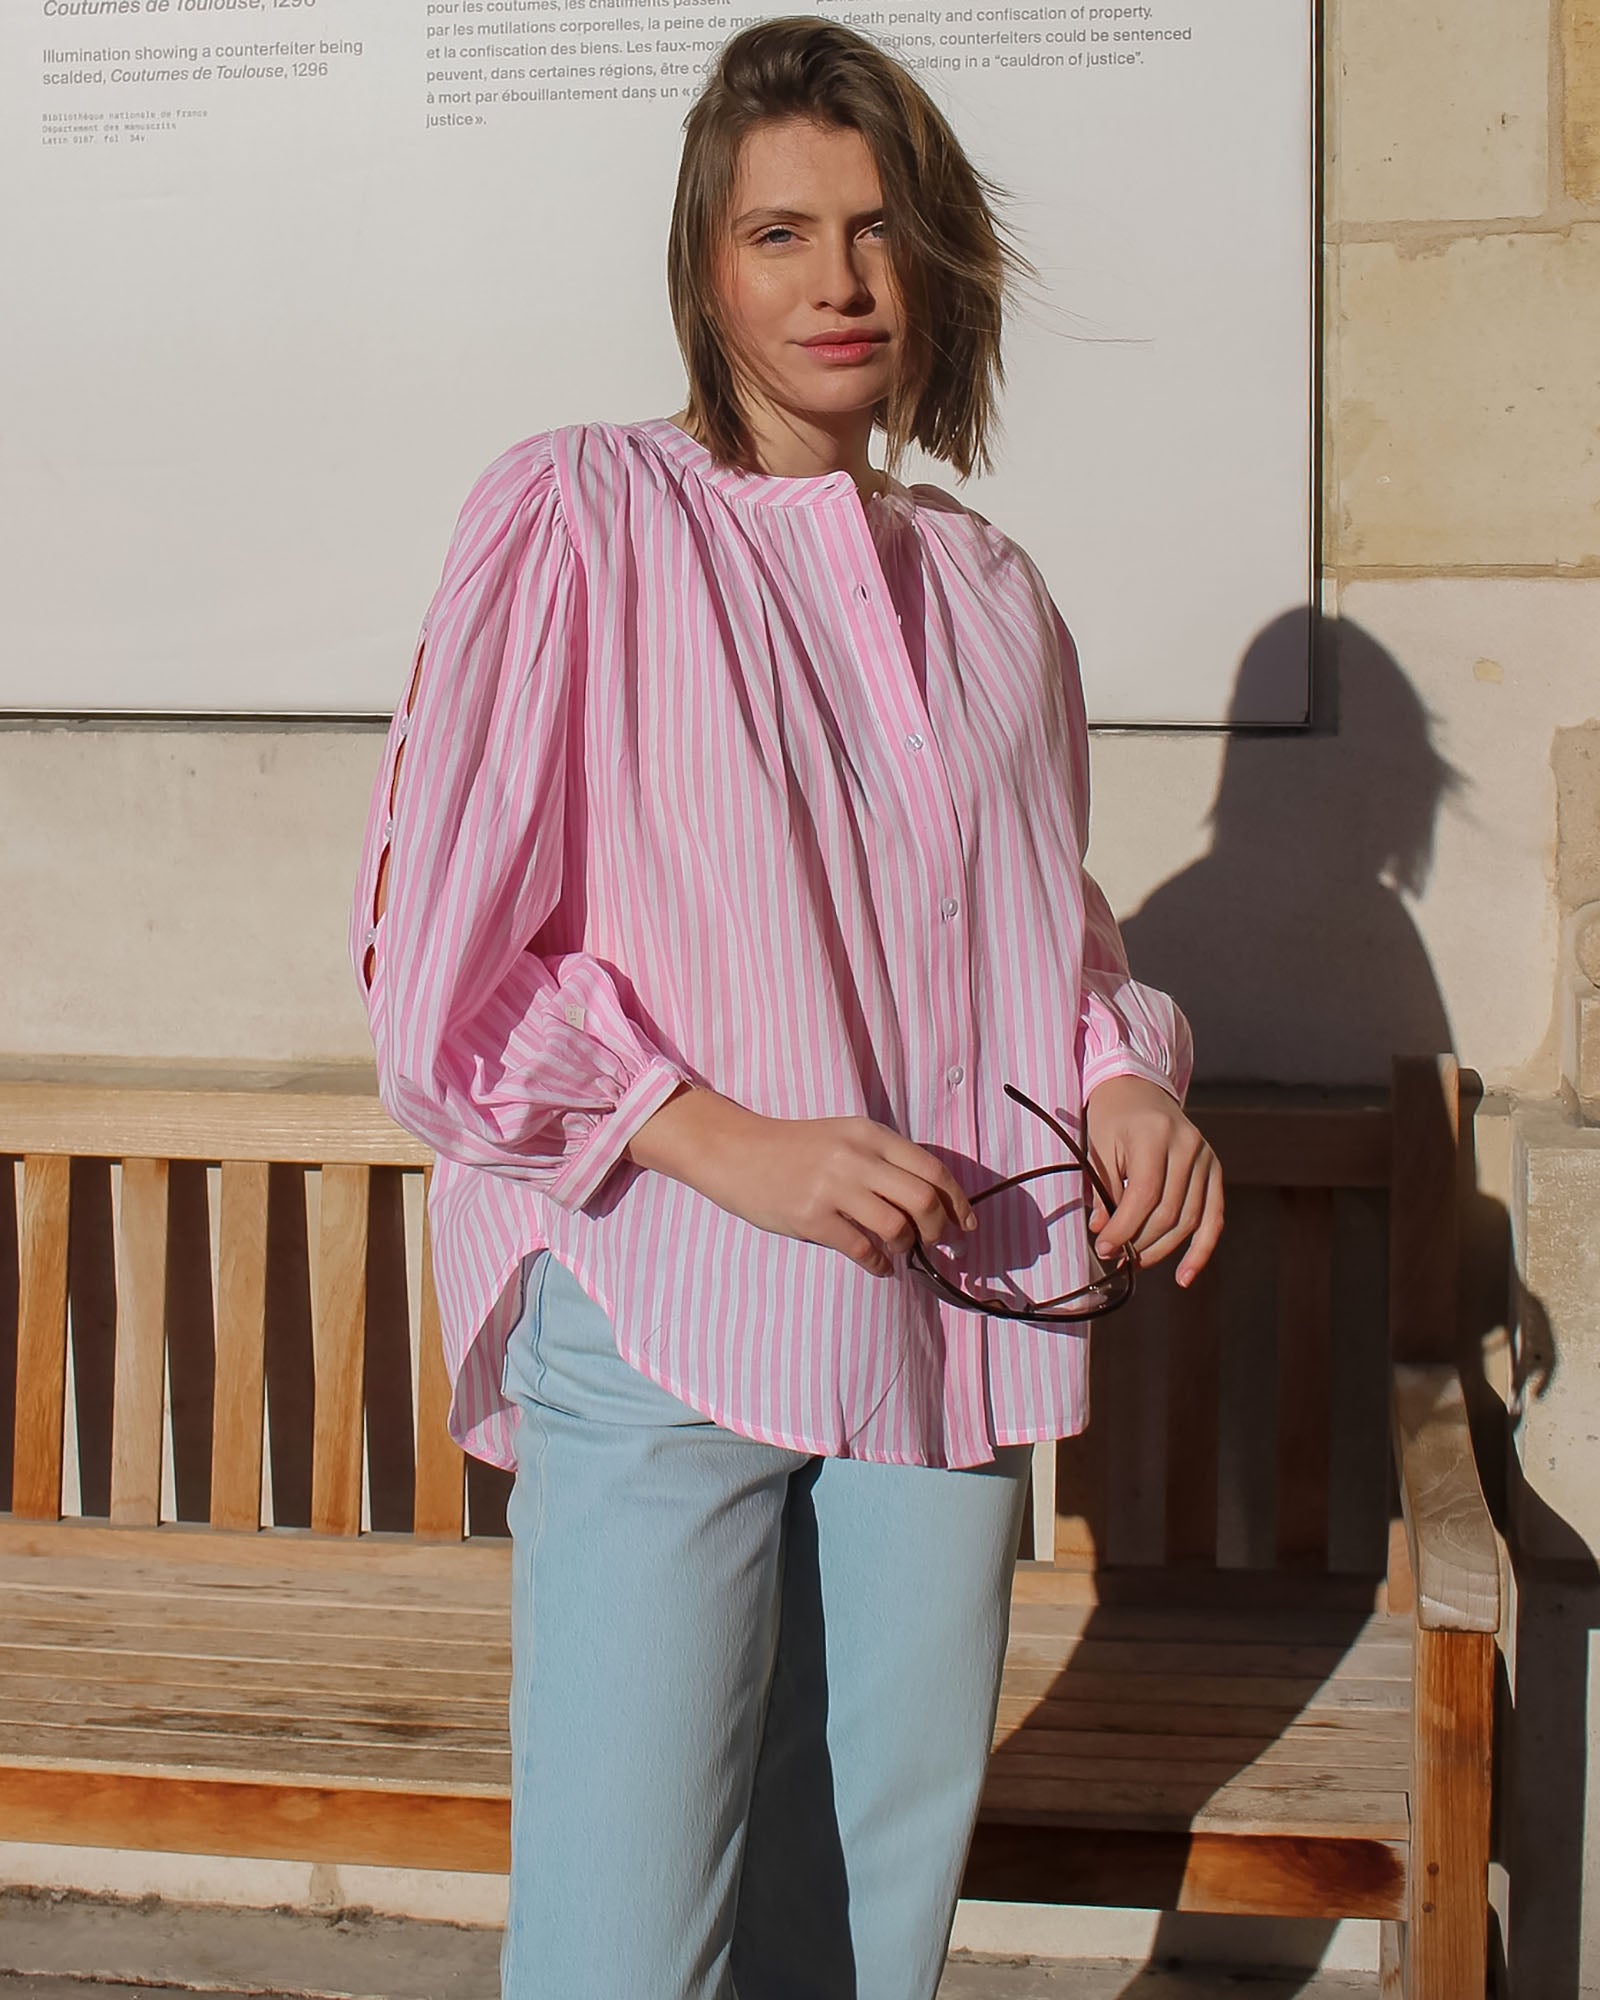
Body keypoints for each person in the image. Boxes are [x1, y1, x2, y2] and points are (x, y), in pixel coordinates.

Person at [350, 16, 1223, 1997]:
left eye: (878, 228)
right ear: (705, 265)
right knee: (623, 1948)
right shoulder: (582, 515)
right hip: (668, 1313)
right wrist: (721, 1139)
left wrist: (1124, 1082)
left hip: (939, 1334)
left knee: (856, 1946)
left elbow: (1042, 935)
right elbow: (439, 963)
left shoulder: (990, 594)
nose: (838, 279)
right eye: (780, 233)